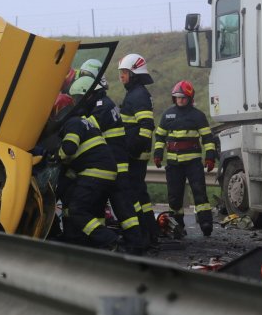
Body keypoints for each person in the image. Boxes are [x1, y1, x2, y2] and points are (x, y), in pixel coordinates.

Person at [51, 76, 120, 250]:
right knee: (93, 213)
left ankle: (109, 240)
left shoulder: (72, 123)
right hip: (104, 172)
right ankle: (91, 245)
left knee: (77, 210)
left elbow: (68, 149)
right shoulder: (84, 121)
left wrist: (55, 157)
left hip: (94, 173)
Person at [153, 80, 216, 237]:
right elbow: (160, 137)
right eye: (177, 97)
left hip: (193, 163)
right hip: (173, 164)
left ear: (189, 98)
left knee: (199, 193)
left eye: (183, 97)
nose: (180, 100)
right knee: (174, 197)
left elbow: (208, 138)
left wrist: (210, 158)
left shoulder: (198, 116)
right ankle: (177, 226)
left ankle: (206, 223)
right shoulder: (167, 114)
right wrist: (158, 155)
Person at [89, 75, 144, 254]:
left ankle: (134, 244)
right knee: (115, 206)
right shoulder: (108, 103)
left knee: (122, 206)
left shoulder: (100, 107)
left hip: (114, 166)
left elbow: (88, 129)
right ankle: (129, 242)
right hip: (117, 163)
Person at [117, 53, 158, 249]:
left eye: (124, 73)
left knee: (133, 195)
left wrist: (131, 151)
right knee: (141, 196)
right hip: (136, 154)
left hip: (135, 156)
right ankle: (150, 232)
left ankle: (143, 235)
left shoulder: (138, 95)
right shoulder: (135, 93)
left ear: (134, 74)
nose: (121, 76)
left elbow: (146, 126)